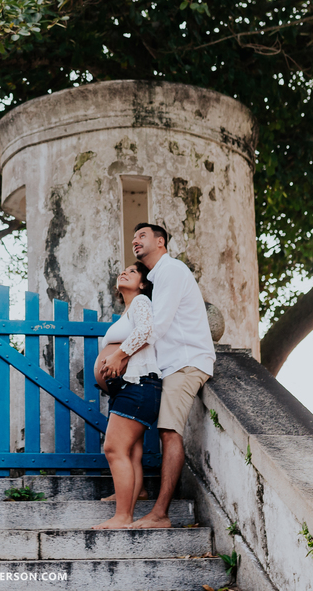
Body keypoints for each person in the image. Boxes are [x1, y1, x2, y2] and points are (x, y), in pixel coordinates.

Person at [119, 222, 216, 529]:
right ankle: (141, 489)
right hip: (169, 364)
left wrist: (122, 354)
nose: (136, 241)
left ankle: (160, 513)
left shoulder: (171, 271)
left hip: (185, 362)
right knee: (146, 427)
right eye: (134, 237)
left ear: (160, 242)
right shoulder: (157, 277)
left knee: (168, 432)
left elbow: (156, 326)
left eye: (142, 236)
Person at [91, 262, 162, 529]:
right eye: (123, 270)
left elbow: (146, 331)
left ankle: (123, 516)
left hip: (139, 385)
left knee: (114, 448)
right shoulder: (129, 311)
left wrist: (120, 355)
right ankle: (132, 496)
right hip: (131, 387)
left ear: (143, 284)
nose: (125, 272)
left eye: (133, 272)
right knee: (130, 452)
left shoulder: (142, 301)